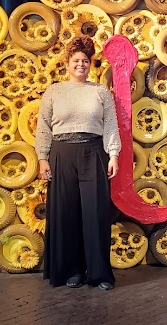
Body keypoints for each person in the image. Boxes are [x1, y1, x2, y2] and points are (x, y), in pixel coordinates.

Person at [36, 35, 120, 290]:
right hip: (61, 154)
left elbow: (111, 125)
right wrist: (42, 158)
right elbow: (43, 126)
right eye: (76, 60)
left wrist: (113, 154)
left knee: (95, 213)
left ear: (90, 64)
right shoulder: (54, 91)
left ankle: (99, 273)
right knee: (66, 213)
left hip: (93, 153)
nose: (81, 64)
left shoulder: (100, 92)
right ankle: (71, 271)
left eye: (85, 60)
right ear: (67, 63)